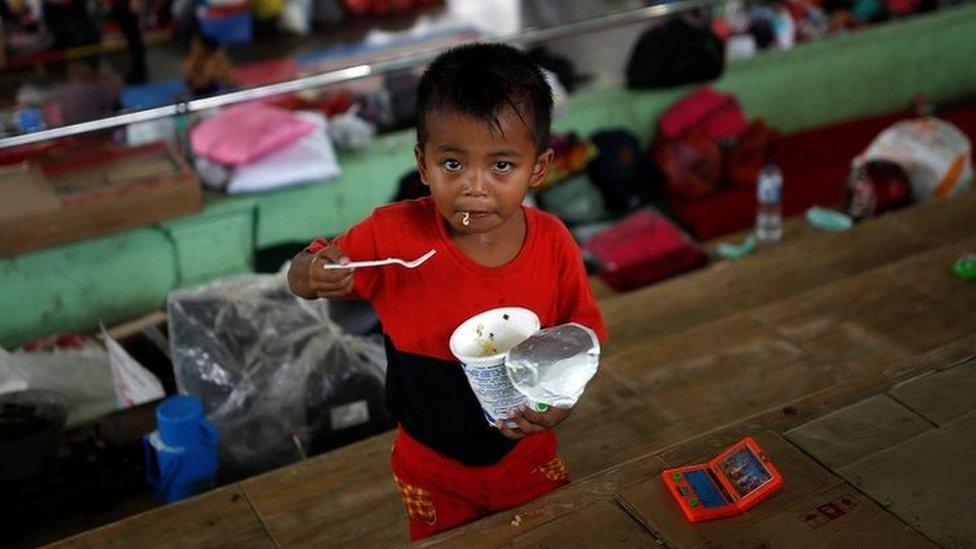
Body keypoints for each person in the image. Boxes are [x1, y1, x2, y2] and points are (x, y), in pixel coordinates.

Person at [287, 43, 607, 540]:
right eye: (453, 164)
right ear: (423, 163)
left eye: (501, 166)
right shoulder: (390, 235)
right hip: (429, 469)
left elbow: (581, 339)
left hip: (527, 458)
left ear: (538, 168)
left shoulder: (553, 244)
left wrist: (560, 404)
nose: (474, 187)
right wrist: (312, 272)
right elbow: (305, 272)